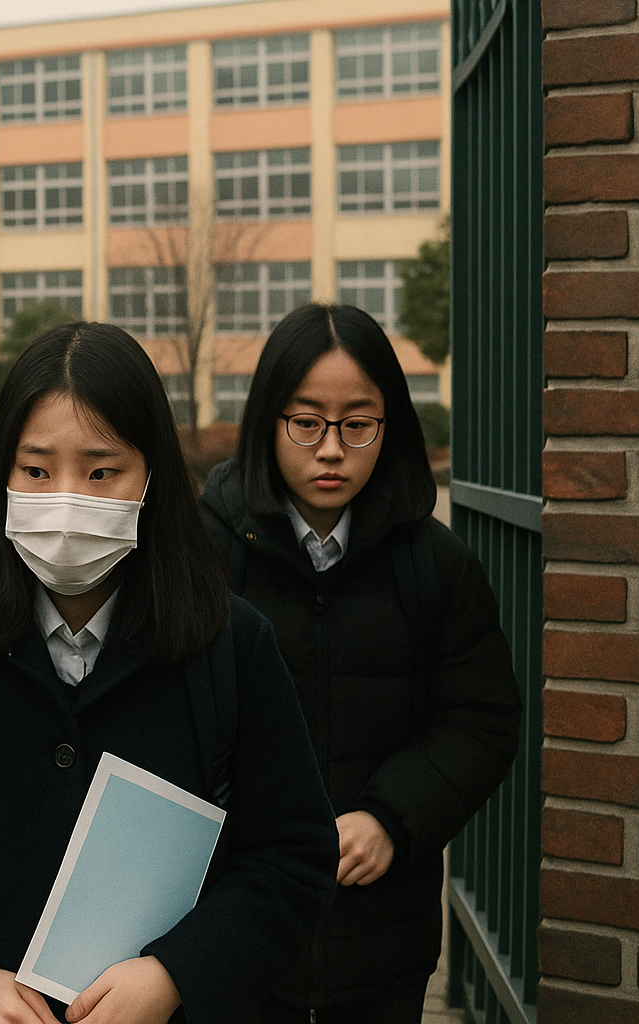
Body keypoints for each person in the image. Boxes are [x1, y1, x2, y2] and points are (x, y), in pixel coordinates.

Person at [0, 322, 340, 1024]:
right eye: (36, 470)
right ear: (1, 471)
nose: (66, 498)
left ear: (151, 476)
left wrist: (175, 973)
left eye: (102, 472)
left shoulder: (230, 644)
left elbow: (293, 856)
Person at [200, 303, 522, 1023]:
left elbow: (481, 718)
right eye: (306, 420)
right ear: (266, 421)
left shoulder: (436, 566)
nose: (331, 449)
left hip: (382, 942)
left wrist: (391, 816)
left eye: (358, 422)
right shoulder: (203, 555)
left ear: (391, 424)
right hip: (231, 926)